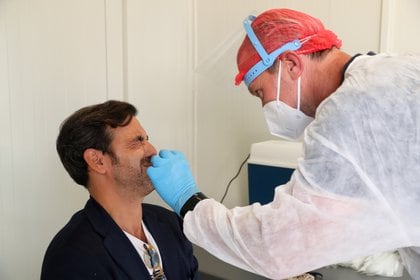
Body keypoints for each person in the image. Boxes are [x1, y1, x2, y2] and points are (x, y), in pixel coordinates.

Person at [146, 8, 420, 280]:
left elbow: (276, 248)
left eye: (260, 93)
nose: (265, 106)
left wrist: (189, 200)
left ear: (291, 64)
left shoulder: (349, 111)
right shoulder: (395, 71)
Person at [41, 100, 199, 280]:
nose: (153, 151)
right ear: (97, 161)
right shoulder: (71, 257)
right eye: (137, 141)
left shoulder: (171, 224)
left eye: (147, 139)